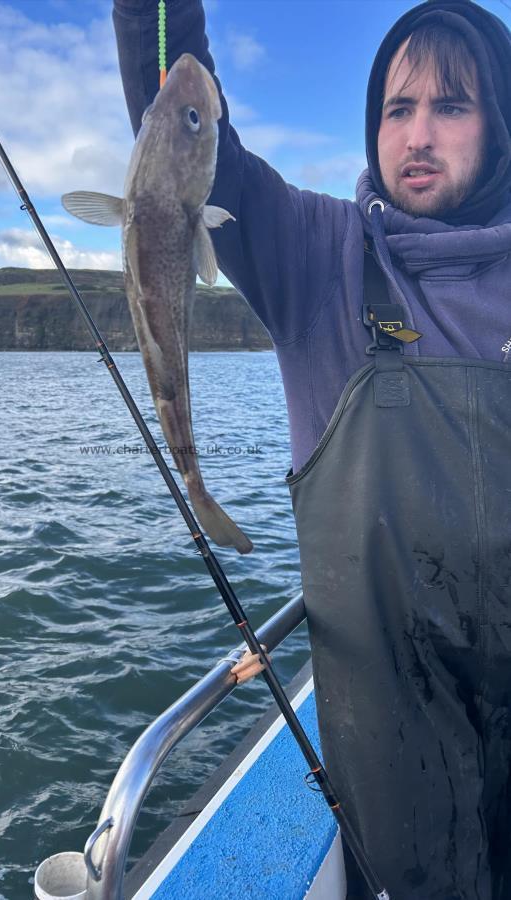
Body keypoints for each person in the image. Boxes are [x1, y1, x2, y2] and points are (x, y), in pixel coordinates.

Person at [112, 0, 510, 897]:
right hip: (398, 760)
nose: (416, 134)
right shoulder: (316, 253)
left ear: (501, 126)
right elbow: (177, 105)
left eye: (451, 107)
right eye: (395, 109)